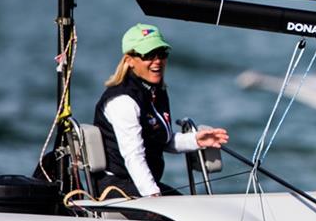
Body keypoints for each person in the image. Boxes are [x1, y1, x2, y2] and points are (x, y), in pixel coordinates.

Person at [94, 23, 229, 197]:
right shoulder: (123, 100)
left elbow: (161, 140)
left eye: (162, 54)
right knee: (178, 218)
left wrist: (196, 141)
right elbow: (133, 155)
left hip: (142, 183)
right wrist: (152, 195)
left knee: (194, 211)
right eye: (149, 55)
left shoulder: (156, 91)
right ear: (129, 60)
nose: (157, 61)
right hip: (116, 187)